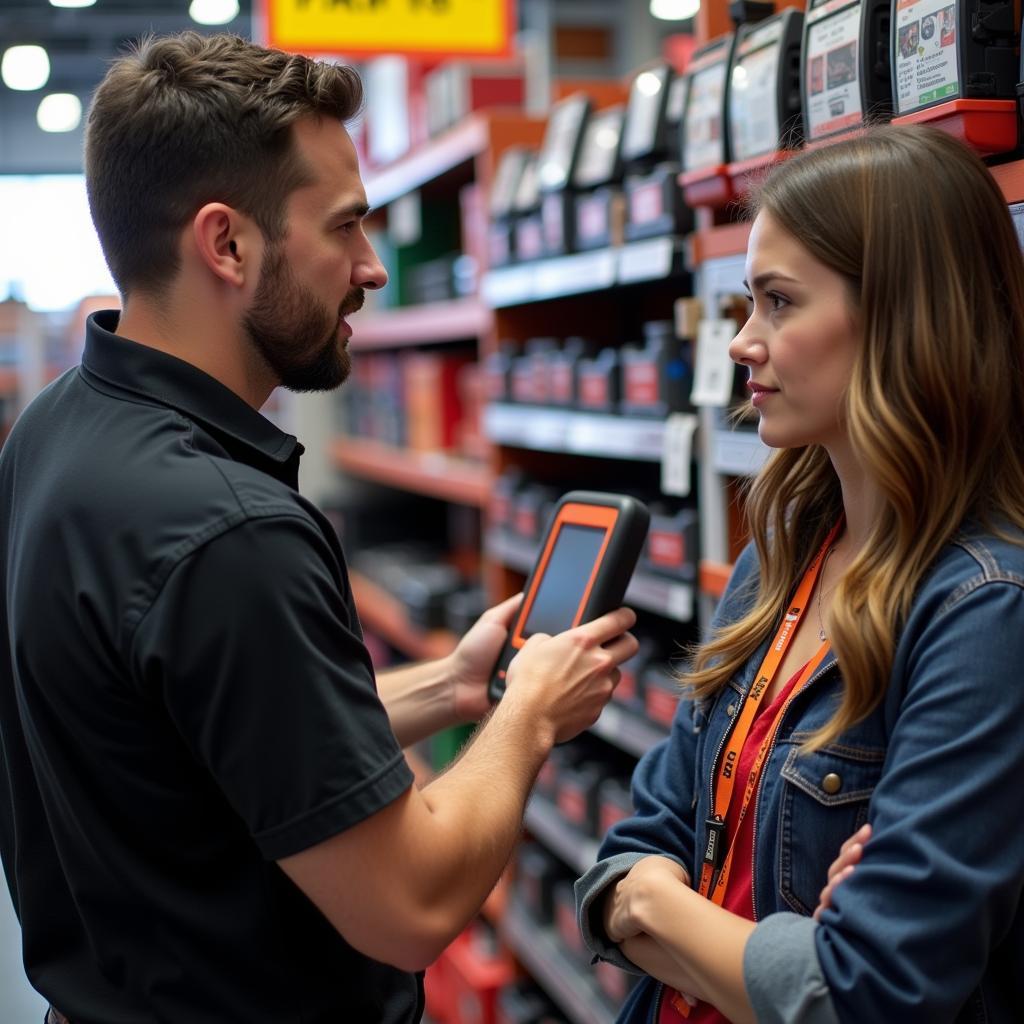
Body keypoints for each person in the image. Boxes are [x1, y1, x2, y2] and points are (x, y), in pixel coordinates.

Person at [0, 32, 639, 1024]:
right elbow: (411, 901)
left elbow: (222, 742)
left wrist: (455, 685)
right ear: (227, 244)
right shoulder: (227, 532)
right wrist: (527, 717)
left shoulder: (55, 428)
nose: (373, 268)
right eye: (345, 227)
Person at [575, 124, 1024, 1023]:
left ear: (903, 316)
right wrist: (679, 912)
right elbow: (636, 841)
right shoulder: (775, 560)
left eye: (779, 303)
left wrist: (657, 907)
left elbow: (863, 993)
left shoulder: (983, 611)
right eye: (749, 303)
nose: (744, 342)